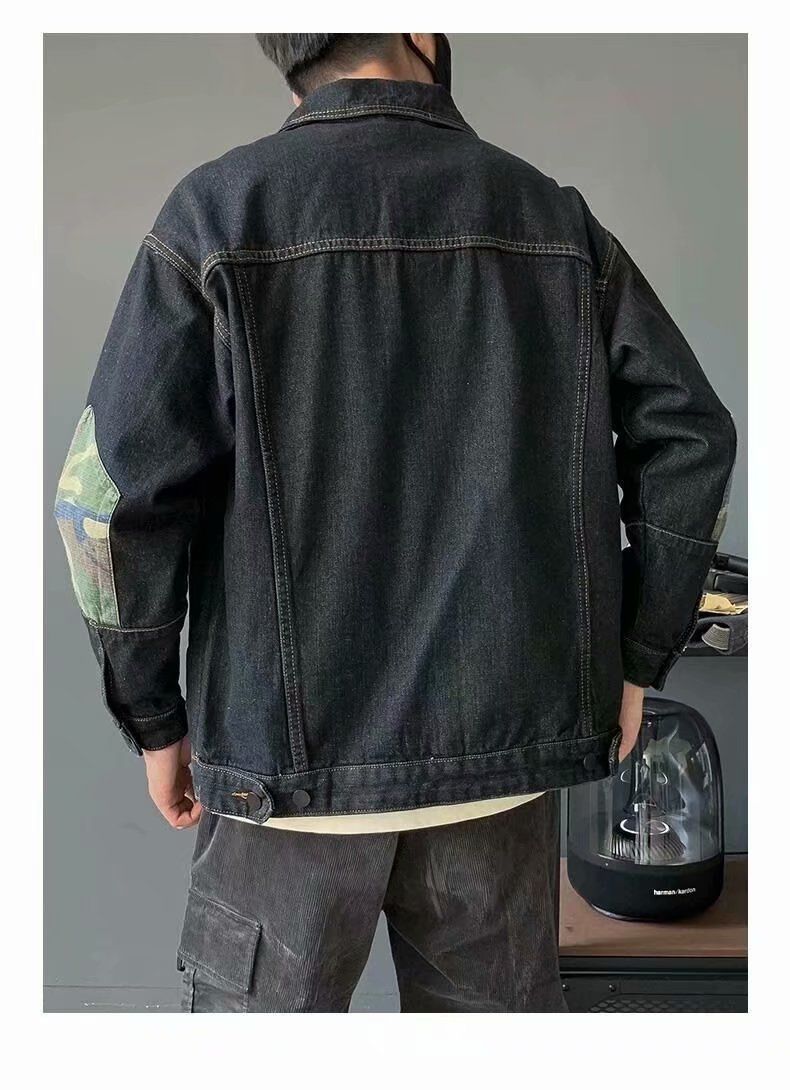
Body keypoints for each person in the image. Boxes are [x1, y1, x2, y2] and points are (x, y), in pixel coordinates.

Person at [54, 33, 737, 1013]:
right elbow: (691, 434)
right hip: (501, 771)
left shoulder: (216, 214)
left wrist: (153, 718)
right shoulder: (552, 220)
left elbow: (103, 499)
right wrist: (636, 657)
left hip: (284, 778)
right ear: (421, 30)